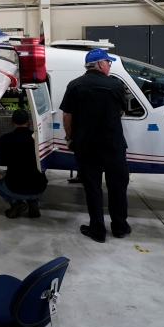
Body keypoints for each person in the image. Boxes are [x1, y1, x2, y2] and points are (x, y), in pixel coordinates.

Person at [59, 48, 130, 243]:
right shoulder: (116, 85)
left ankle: (98, 231)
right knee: (117, 186)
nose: (110, 66)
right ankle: (120, 227)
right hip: (113, 145)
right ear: (100, 64)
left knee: (93, 187)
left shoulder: (74, 85)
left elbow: (67, 115)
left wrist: (69, 137)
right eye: (108, 62)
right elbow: (122, 110)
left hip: (86, 145)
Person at [0, 109, 47, 218]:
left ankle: (15, 203)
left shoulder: (5, 139)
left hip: (15, 188)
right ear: (29, 122)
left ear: (12, 123)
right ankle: (33, 202)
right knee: (37, 174)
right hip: (39, 188)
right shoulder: (39, 139)